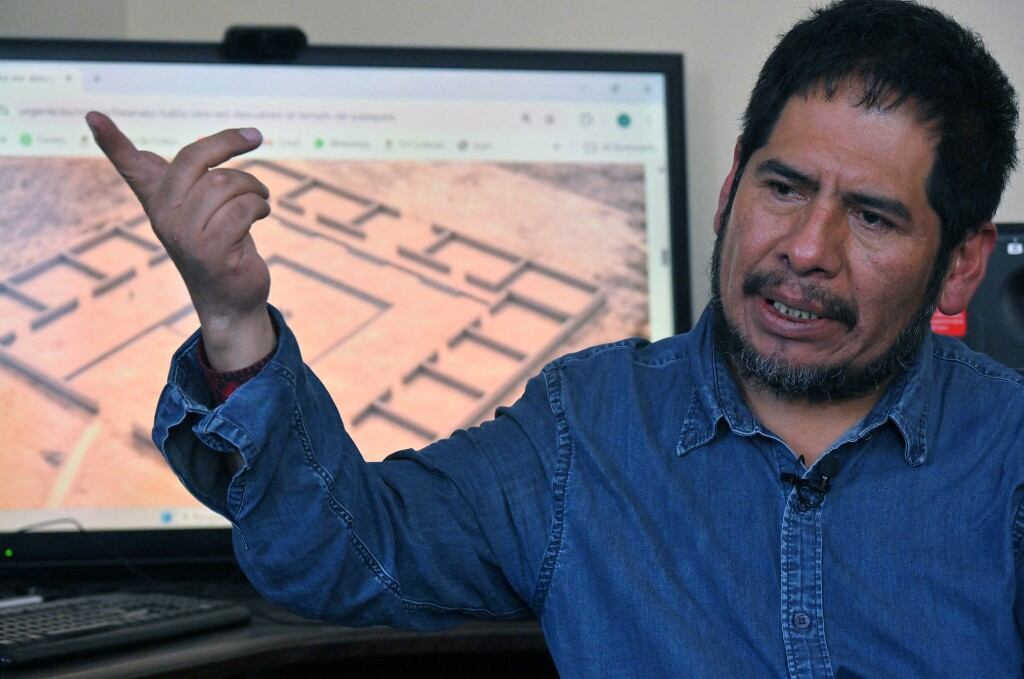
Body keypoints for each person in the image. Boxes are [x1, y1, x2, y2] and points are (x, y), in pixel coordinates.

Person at [87, 0, 1023, 675]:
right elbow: (343, 554)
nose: (806, 250)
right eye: (783, 187)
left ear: (960, 264)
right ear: (733, 182)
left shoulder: (1010, 450)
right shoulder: (587, 424)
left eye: (870, 218)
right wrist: (233, 318)